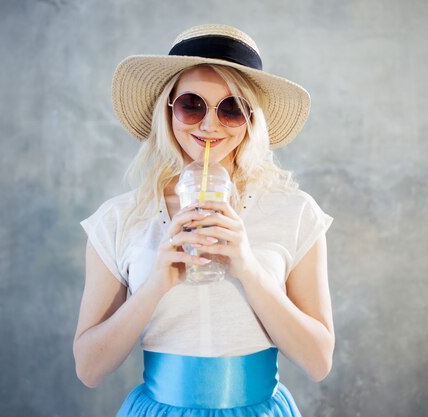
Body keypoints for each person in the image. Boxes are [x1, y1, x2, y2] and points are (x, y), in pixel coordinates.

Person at [73, 24, 334, 416]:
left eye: (231, 108)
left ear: (251, 121)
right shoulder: (119, 219)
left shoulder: (295, 212)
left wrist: (248, 268)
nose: (209, 126)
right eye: (192, 105)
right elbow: (89, 369)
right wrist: (156, 283)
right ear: (168, 110)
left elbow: (318, 362)